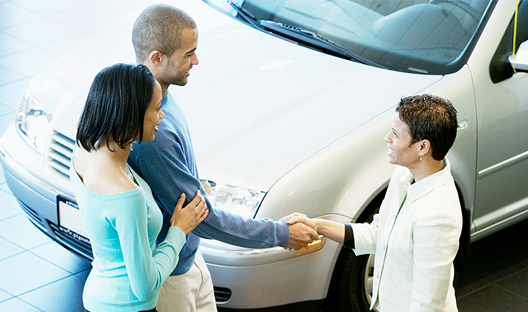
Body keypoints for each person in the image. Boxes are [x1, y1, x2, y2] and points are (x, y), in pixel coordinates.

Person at [128, 4, 319, 312]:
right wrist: (281, 233)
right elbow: (203, 219)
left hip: (189, 257)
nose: (197, 61)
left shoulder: (161, 96)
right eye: (188, 53)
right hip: (170, 278)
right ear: (156, 58)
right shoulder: (154, 135)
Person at [287, 94, 462, 311]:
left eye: (396, 134)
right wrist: (317, 225)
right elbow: (378, 234)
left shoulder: (438, 216)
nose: (387, 138)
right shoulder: (404, 175)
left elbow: (428, 304)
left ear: (422, 147)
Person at [71, 63, 209, 312]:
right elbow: (145, 286)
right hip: (129, 306)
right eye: (156, 109)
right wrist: (178, 231)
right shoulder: (125, 195)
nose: (162, 116)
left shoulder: (83, 152)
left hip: (98, 295)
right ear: (132, 114)